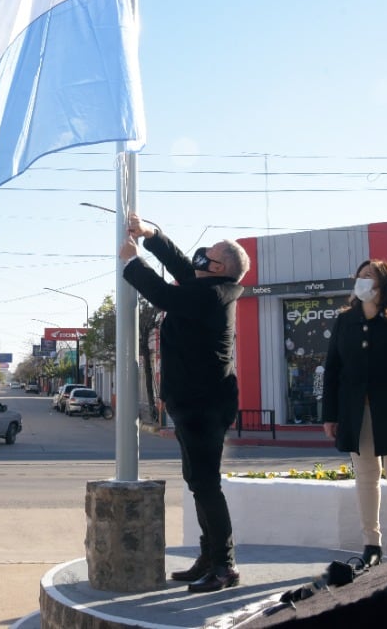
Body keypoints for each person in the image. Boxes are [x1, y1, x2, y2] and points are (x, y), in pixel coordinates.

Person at [119, 212, 250, 593]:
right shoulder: (211, 285)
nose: (200, 257)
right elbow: (179, 264)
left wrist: (131, 260)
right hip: (194, 403)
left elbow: (163, 293)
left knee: (207, 485)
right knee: (197, 482)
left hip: (204, 405)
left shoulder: (212, 293)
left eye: (208, 254)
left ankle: (224, 565)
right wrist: (151, 235)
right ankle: (209, 558)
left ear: (221, 267)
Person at [322, 259, 387, 567]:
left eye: (370, 277)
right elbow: (333, 369)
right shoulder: (345, 320)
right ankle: (371, 544)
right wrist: (330, 415)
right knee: (366, 479)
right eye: (360, 276)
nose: (362, 281)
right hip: (356, 414)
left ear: (386, 285)